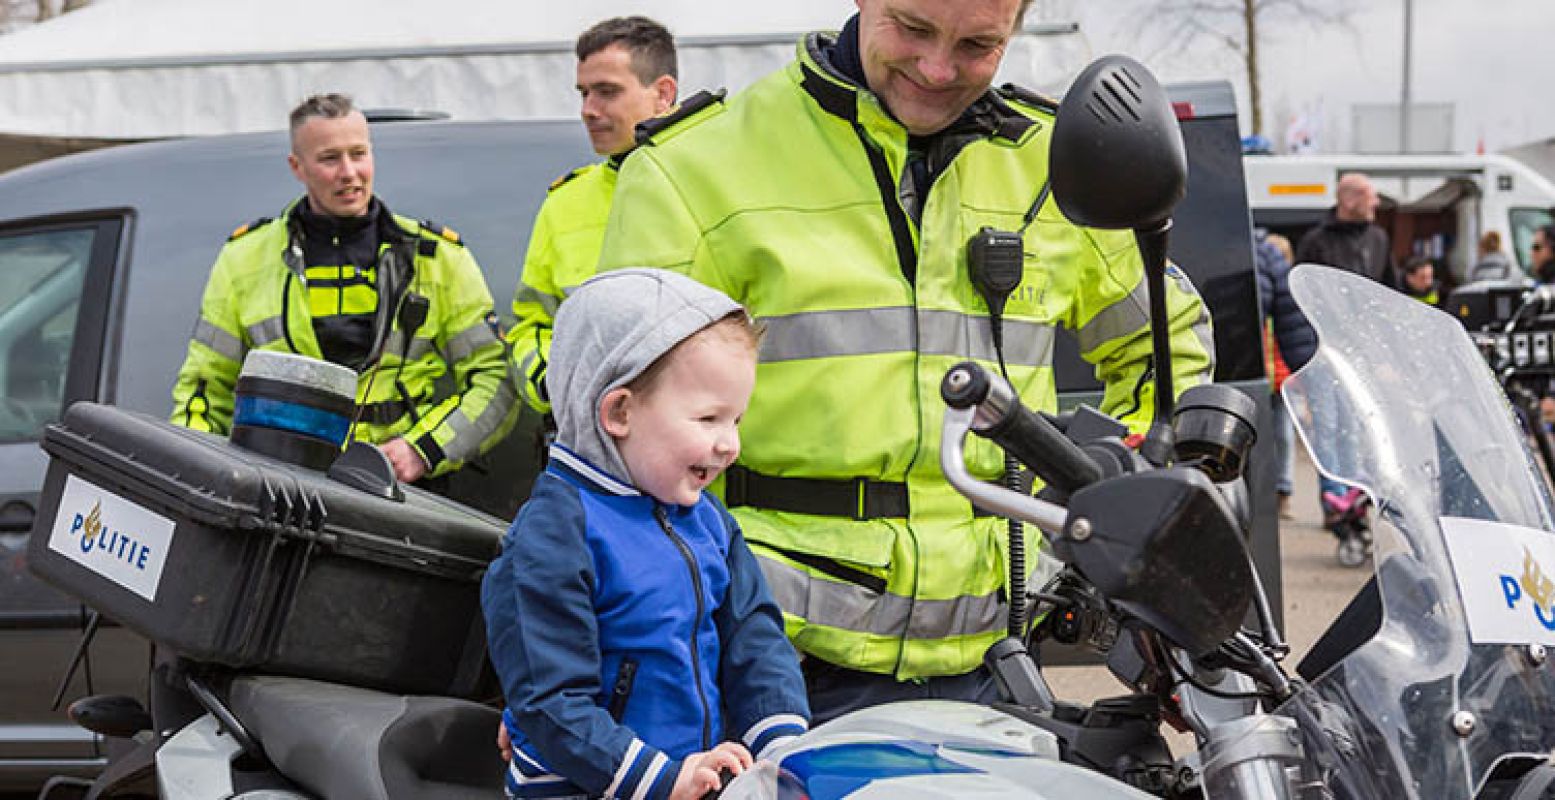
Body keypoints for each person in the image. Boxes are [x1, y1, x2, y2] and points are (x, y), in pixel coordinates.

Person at [598, 0, 1216, 722]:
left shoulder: (1051, 168)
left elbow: (1165, 350)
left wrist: (1121, 513)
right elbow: (614, 433)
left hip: (999, 665)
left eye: (978, 44)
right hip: (766, 673)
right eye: (914, 28)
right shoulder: (694, 167)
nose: (936, 68)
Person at [481, 268, 809, 800]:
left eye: (737, 421)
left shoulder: (708, 522)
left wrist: (779, 739)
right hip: (591, 787)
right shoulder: (554, 536)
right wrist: (658, 778)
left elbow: (754, 636)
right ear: (620, 412)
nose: (731, 445)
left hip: (692, 781)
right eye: (708, 419)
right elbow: (550, 701)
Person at [169, 93, 518, 484]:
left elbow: (495, 378)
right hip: (277, 487)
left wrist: (422, 450)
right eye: (330, 158)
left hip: (404, 493)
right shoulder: (244, 259)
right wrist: (197, 478)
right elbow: (204, 388)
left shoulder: (435, 258)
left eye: (359, 153)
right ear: (297, 167)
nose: (349, 172)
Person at [509, 16, 678, 413]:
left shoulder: (715, 184)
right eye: (584, 93)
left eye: (606, 92)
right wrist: (556, 386)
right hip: (588, 446)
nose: (588, 110)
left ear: (663, 93)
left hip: (704, 450)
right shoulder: (565, 201)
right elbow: (532, 326)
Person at [1255, 231, 1314, 522]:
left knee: (1280, 434)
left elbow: (1292, 333)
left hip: (1277, 375)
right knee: (1279, 435)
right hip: (1273, 374)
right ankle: (1278, 491)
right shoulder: (1279, 282)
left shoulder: (1274, 280)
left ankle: (1280, 490)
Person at [1296, 172, 1395, 288]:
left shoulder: (1379, 238)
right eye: (1370, 197)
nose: (1376, 203)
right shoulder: (1316, 241)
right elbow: (1303, 287)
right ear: (1349, 201)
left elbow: (1391, 285)